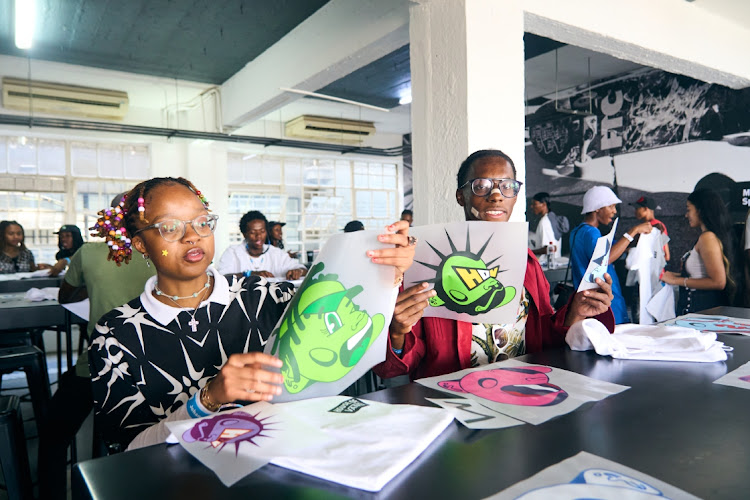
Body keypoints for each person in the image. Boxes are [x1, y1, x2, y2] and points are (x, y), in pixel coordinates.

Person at [88, 177, 416, 450]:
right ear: (141, 244)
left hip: (285, 463)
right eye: (170, 227)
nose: (192, 235)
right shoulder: (116, 336)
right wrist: (207, 400)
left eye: (202, 222)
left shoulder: (266, 297)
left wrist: (390, 270)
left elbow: (348, 311)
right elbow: (129, 449)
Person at [374, 149, 615, 381]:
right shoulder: (427, 262)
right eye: (481, 186)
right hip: (454, 403)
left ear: (515, 196)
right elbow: (397, 366)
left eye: (507, 186)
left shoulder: (527, 262)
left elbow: (543, 339)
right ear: (461, 196)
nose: (497, 194)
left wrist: (574, 313)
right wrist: (396, 332)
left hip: (521, 393)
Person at [38, 196, 156, 499]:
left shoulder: (89, 252)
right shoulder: (161, 253)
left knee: (53, 436)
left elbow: (66, 296)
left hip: (98, 365)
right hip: (155, 369)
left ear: (111, 218)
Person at [570, 186, 653, 324]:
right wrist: (633, 231)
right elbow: (606, 259)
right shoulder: (591, 232)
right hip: (600, 303)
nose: (614, 211)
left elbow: (616, 248)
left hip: (588, 299)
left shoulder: (578, 231)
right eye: (611, 206)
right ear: (597, 208)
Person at [661, 188, 737, 314]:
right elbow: (700, 275)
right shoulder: (707, 237)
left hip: (701, 311)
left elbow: (718, 282)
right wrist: (675, 275)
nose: (686, 215)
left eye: (688, 210)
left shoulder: (707, 238)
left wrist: (676, 281)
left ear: (700, 211)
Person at [217, 210, 307, 280]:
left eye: (262, 231)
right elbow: (222, 277)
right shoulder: (233, 252)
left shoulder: (276, 253)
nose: (259, 236)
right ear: (244, 234)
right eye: (253, 232)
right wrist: (250, 274)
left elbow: (304, 270)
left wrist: (298, 271)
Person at [630, 195, 670, 261]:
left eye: (637, 208)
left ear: (646, 209)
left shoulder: (652, 226)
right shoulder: (660, 224)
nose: (635, 212)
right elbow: (667, 256)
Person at [529, 192, 562, 262]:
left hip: (547, 264)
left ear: (544, 204)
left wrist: (529, 252)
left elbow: (549, 249)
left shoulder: (545, 222)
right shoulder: (552, 218)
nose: (532, 206)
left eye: (534, 204)